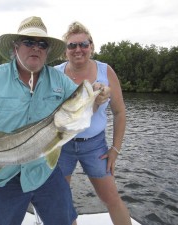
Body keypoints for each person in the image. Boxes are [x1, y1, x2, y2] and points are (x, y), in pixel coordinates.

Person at [0, 16, 110, 225]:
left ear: (46, 51)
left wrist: (97, 96)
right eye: (28, 42)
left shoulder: (59, 81)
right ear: (16, 46)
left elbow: (81, 107)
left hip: (45, 173)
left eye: (42, 44)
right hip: (4, 177)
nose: (35, 47)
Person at [55, 21, 132, 225]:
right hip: (62, 144)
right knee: (61, 201)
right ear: (65, 51)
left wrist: (115, 149)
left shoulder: (106, 72)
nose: (78, 49)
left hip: (95, 145)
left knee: (111, 198)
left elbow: (119, 111)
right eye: (72, 45)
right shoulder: (55, 74)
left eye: (83, 44)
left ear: (91, 47)